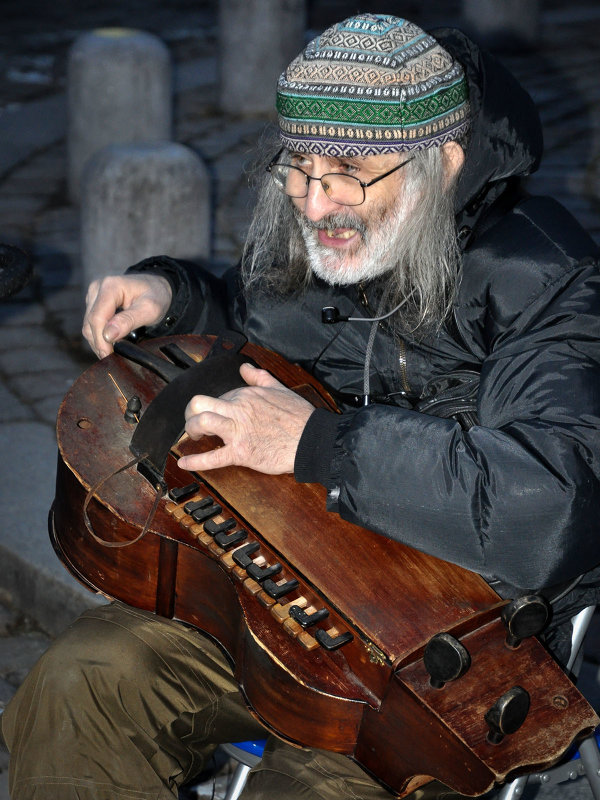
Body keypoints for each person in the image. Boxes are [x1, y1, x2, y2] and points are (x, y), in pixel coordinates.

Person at [3, 12, 600, 800]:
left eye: (347, 171)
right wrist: (176, 294)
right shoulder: (328, 222)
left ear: (443, 164)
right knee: (80, 683)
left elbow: (553, 503)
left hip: (423, 664)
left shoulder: (548, 280)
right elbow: (262, 326)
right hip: (269, 596)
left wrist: (322, 445)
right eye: (298, 167)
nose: (315, 205)